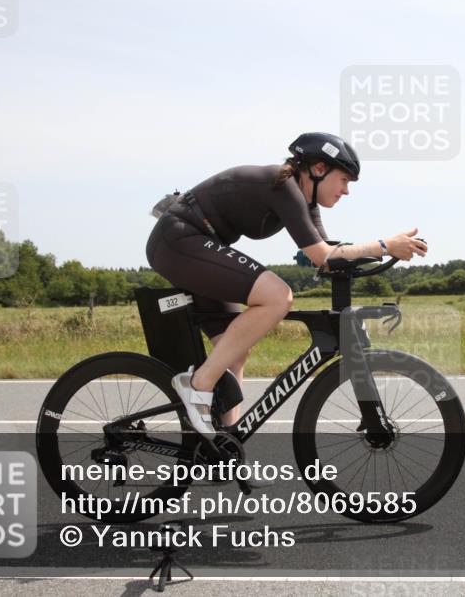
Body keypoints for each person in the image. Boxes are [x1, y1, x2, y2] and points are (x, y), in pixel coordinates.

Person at [144, 132, 428, 482]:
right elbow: (323, 256)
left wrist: (381, 249)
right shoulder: (282, 186)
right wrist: (385, 245)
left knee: (234, 352)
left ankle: (221, 444)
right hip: (178, 239)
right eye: (344, 180)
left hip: (196, 245)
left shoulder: (303, 199)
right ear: (319, 169)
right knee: (278, 296)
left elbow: (327, 255)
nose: (346, 191)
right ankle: (198, 386)